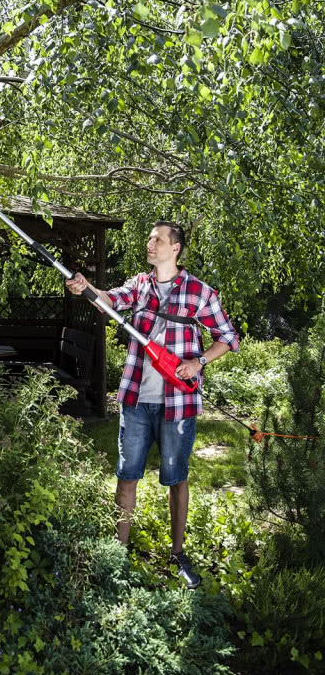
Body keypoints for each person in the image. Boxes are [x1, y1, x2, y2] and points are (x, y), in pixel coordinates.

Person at [66, 221, 239, 588]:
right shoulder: (139, 286)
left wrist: (198, 362)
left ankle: (177, 553)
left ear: (175, 248)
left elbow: (227, 337)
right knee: (127, 477)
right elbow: (110, 299)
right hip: (135, 400)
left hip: (178, 404)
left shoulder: (199, 293)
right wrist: (86, 288)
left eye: (157, 239)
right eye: (149, 238)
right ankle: (118, 553)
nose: (150, 243)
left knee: (176, 479)